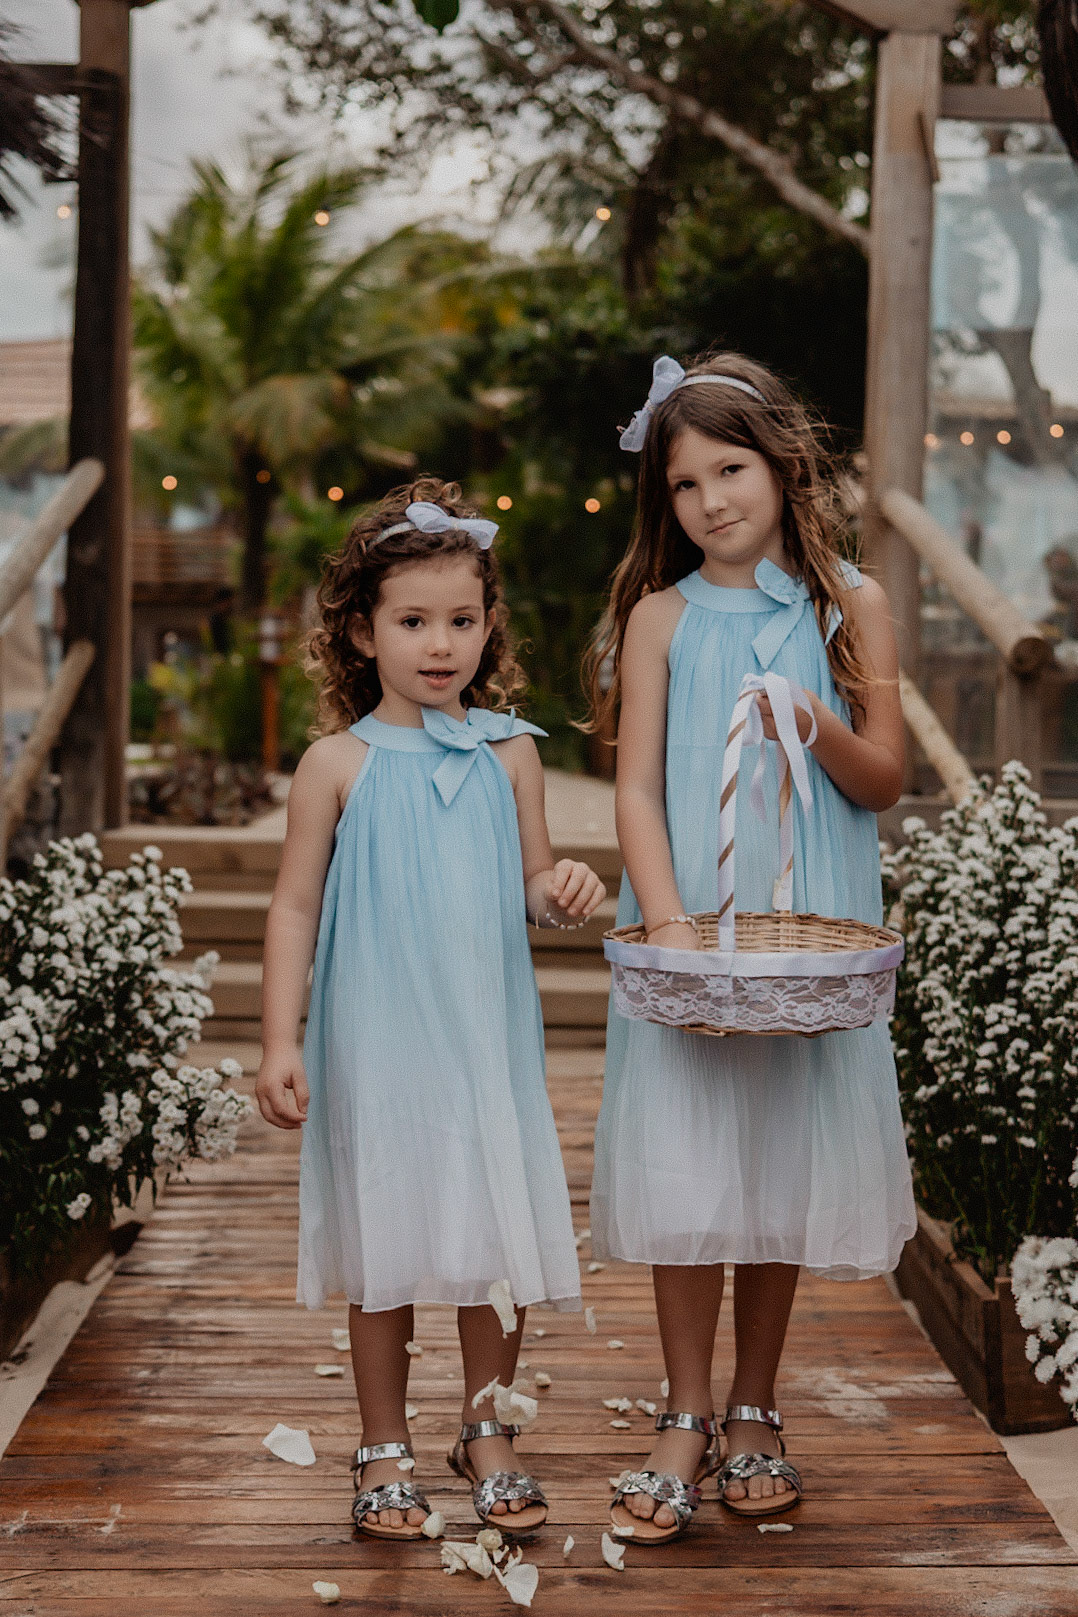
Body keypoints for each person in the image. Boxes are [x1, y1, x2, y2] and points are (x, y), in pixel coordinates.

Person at [586, 353, 916, 1543]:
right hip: (694, 920)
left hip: (803, 924)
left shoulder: (850, 608)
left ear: (781, 465)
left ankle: (754, 1406)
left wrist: (807, 712)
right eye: (683, 485)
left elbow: (881, 778)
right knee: (687, 1162)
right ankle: (681, 1408)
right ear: (662, 504)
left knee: (774, 1160)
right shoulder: (659, 617)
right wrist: (668, 926)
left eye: (730, 469)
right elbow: (633, 789)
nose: (712, 501)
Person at [256, 479, 605, 1542]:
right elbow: (293, 905)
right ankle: (382, 1443)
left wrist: (564, 891)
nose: (439, 644)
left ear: (489, 624)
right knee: (387, 1239)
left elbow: (532, 883)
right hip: (379, 1048)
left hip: (483, 1047)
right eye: (412, 622)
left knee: (492, 1234)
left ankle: (487, 1431)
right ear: (363, 632)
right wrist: (279, 1038)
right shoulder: (336, 765)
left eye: (461, 620)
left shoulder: (512, 754)